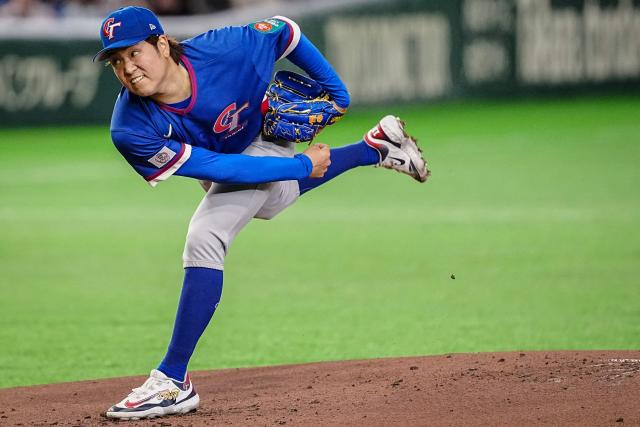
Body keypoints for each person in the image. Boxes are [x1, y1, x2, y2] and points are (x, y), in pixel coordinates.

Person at [95, 6, 429, 420]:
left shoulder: (226, 49)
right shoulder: (130, 127)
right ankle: (376, 147)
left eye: (134, 53)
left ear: (162, 44)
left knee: (207, 233)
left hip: (265, 128)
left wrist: (337, 93)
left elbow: (282, 30)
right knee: (269, 202)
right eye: (116, 61)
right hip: (223, 155)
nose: (127, 68)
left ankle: (172, 380)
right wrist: (300, 167)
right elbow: (219, 169)